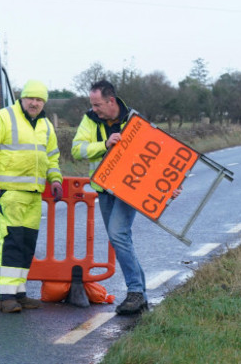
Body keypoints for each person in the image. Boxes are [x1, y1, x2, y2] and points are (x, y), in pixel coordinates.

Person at [71, 79, 180, 315]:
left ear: (111, 101)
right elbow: (76, 149)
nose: (94, 109)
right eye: (92, 104)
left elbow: (154, 154)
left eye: (98, 104)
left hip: (127, 189)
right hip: (103, 189)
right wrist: (103, 144)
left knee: (118, 235)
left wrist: (169, 185)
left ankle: (135, 291)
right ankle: (139, 292)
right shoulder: (89, 120)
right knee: (119, 238)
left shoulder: (134, 119)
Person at [0, 80, 63, 313]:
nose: (34, 103)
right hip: (10, 192)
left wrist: (55, 179)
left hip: (34, 195)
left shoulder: (45, 125)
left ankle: (19, 294)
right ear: (21, 98)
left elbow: (52, 157)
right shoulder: (3, 117)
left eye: (39, 99)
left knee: (26, 244)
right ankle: (6, 297)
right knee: (12, 242)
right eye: (30, 98)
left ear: (44, 102)